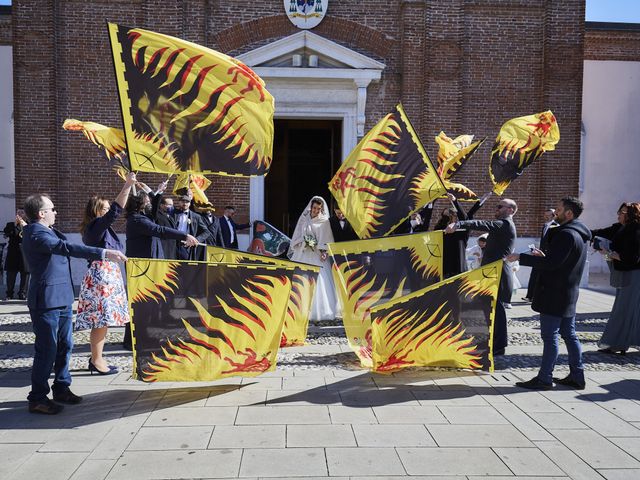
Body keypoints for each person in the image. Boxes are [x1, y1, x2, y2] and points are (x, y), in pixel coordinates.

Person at [21, 194, 127, 414]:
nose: (55, 212)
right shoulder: (36, 233)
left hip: (61, 297)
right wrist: (103, 253)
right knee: (47, 350)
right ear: (41, 213)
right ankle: (38, 397)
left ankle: (61, 388)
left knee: (65, 346)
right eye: (52, 208)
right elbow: (66, 247)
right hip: (46, 301)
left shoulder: (44, 230)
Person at [508, 196, 590, 390]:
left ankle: (545, 378)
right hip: (568, 292)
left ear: (569, 213)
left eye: (559, 210)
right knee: (569, 334)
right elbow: (560, 261)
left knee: (550, 336)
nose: (556, 213)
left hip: (555, 292)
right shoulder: (578, 233)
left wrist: (522, 257)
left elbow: (552, 264)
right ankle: (577, 376)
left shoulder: (566, 234)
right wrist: (545, 257)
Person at [74, 172, 137, 375]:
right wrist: (127, 185)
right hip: (101, 277)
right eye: (105, 208)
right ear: (97, 211)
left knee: (104, 321)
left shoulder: (101, 229)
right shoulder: (95, 226)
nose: (109, 211)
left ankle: (97, 358)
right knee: (100, 321)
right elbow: (117, 210)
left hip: (108, 276)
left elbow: (115, 212)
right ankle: (96, 360)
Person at [123, 192, 198, 349]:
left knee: (146, 304)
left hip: (147, 267)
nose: (150, 203)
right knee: (141, 305)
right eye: (147, 201)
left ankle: (134, 340)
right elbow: (159, 230)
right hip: (141, 268)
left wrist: (156, 191)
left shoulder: (144, 217)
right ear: (140, 204)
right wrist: (185, 236)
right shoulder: (138, 219)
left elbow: (155, 212)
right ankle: (137, 340)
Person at [445, 198, 517, 355]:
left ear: (510, 210)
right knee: (490, 310)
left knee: (496, 311)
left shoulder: (505, 225)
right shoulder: (502, 226)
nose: (496, 208)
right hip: (491, 273)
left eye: (500, 206)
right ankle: (494, 343)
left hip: (497, 274)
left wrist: (458, 224)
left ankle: (498, 346)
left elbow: (481, 224)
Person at [592, 202, 640, 355]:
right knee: (628, 309)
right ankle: (622, 343)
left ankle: (618, 344)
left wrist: (612, 254)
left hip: (633, 274)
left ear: (629, 215)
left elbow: (633, 257)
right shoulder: (619, 228)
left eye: (622, 212)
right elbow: (599, 232)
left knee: (624, 309)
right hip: (623, 273)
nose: (618, 215)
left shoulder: (636, 230)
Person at [288, 196, 337, 320]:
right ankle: (297, 307)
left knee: (317, 279)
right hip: (303, 252)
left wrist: (323, 250)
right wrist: (302, 241)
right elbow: (298, 234)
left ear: (321, 209)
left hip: (316, 254)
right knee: (300, 277)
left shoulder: (324, 221)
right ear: (311, 207)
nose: (315, 211)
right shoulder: (304, 219)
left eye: (318, 209)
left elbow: (326, 239)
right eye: (314, 208)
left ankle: (317, 310)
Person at [434, 193, 484, 278]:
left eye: (450, 215)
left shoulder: (462, 230)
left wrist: (454, 201)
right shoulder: (441, 230)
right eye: (445, 216)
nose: (447, 218)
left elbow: (465, 218)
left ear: (455, 216)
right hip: (443, 270)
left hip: (459, 270)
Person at [523, 208, 558, 302]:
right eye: (545, 215)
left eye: (548, 215)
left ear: (554, 216)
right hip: (539, 255)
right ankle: (530, 296)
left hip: (547, 257)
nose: (545, 217)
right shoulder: (545, 226)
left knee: (542, 277)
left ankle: (538, 297)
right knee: (534, 275)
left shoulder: (556, 227)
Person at [172, 195, 211, 260]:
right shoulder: (173, 214)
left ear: (190, 204)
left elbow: (206, 232)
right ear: (179, 202)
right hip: (172, 244)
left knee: (185, 267)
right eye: (182, 201)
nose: (184, 203)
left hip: (186, 245)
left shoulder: (196, 216)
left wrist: (195, 240)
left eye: (187, 202)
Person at [3, 210, 30, 300]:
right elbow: (7, 234)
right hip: (13, 252)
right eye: (18, 213)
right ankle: (9, 293)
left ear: (25, 215)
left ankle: (22, 293)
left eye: (22, 212)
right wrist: (15, 225)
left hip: (25, 252)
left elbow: (30, 235)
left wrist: (23, 225)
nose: (19, 214)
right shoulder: (10, 225)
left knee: (25, 273)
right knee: (11, 273)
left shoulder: (29, 225)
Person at [152, 194, 178, 260]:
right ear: (161, 205)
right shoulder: (157, 214)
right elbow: (155, 205)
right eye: (169, 205)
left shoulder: (171, 217)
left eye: (172, 205)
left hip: (172, 248)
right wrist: (159, 192)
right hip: (163, 245)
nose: (171, 207)